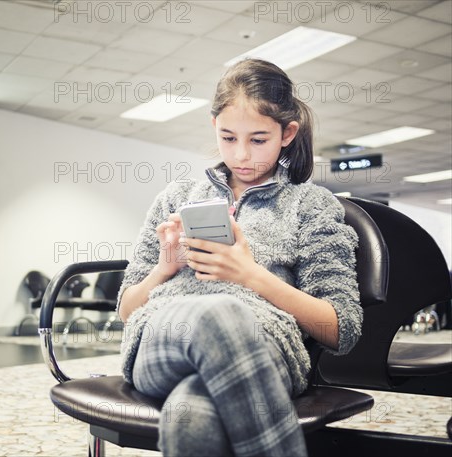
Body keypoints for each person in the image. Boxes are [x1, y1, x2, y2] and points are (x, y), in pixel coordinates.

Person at [116, 59, 363, 457]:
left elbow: (341, 328)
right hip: (162, 341)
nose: (241, 155)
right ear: (213, 126)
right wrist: (166, 267)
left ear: (288, 133)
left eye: (258, 140)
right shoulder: (177, 197)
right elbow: (127, 310)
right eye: (228, 138)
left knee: (191, 415)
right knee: (215, 315)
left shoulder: (311, 205)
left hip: (264, 343)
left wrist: (251, 275)